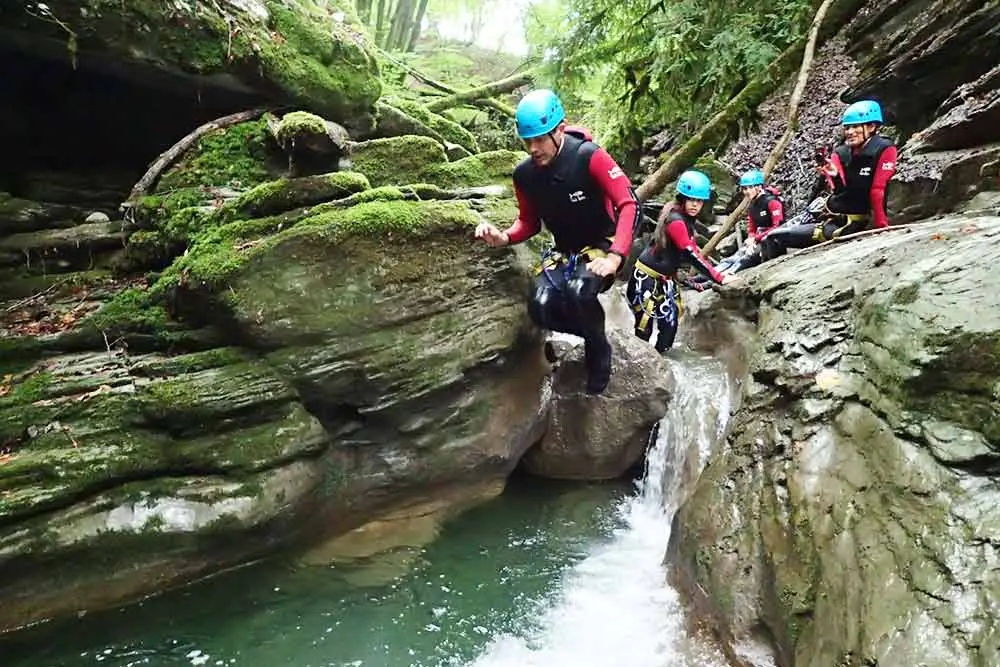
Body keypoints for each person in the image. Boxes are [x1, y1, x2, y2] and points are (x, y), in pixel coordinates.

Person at [473, 89, 640, 394]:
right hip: (564, 251)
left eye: (539, 139)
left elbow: (629, 204)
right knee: (540, 307)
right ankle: (594, 334)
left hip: (602, 246)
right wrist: (504, 237)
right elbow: (529, 222)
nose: (533, 148)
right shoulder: (525, 175)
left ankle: (598, 350)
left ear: (560, 129)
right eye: (527, 141)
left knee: (579, 291)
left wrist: (616, 256)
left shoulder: (589, 156)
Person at [760, 100, 898, 260]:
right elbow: (841, 192)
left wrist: (881, 227)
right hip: (830, 216)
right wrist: (834, 176)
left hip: (850, 223)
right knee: (770, 238)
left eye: (855, 127)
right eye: (847, 127)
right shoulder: (841, 153)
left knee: (773, 238)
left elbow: (878, 190)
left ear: (871, 127)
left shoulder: (884, 149)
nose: (850, 132)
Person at [626, 170, 737, 353]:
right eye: (691, 200)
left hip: (665, 279)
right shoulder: (676, 220)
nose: (695, 205)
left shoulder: (684, 217)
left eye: (699, 201)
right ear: (682, 198)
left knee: (669, 327)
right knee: (644, 327)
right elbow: (691, 254)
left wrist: (705, 278)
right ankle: (640, 365)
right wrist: (719, 277)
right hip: (646, 279)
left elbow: (685, 253)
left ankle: (661, 361)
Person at [713, 168, 785, 275]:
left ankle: (726, 275)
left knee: (746, 258)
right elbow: (752, 228)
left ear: (759, 187)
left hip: (772, 241)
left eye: (750, 188)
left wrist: (755, 239)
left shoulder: (772, 202)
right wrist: (751, 239)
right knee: (735, 256)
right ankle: (711, 274)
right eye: (745, 189)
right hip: (757, 240)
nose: (747, 191)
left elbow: (778, 227)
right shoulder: (752, 205)